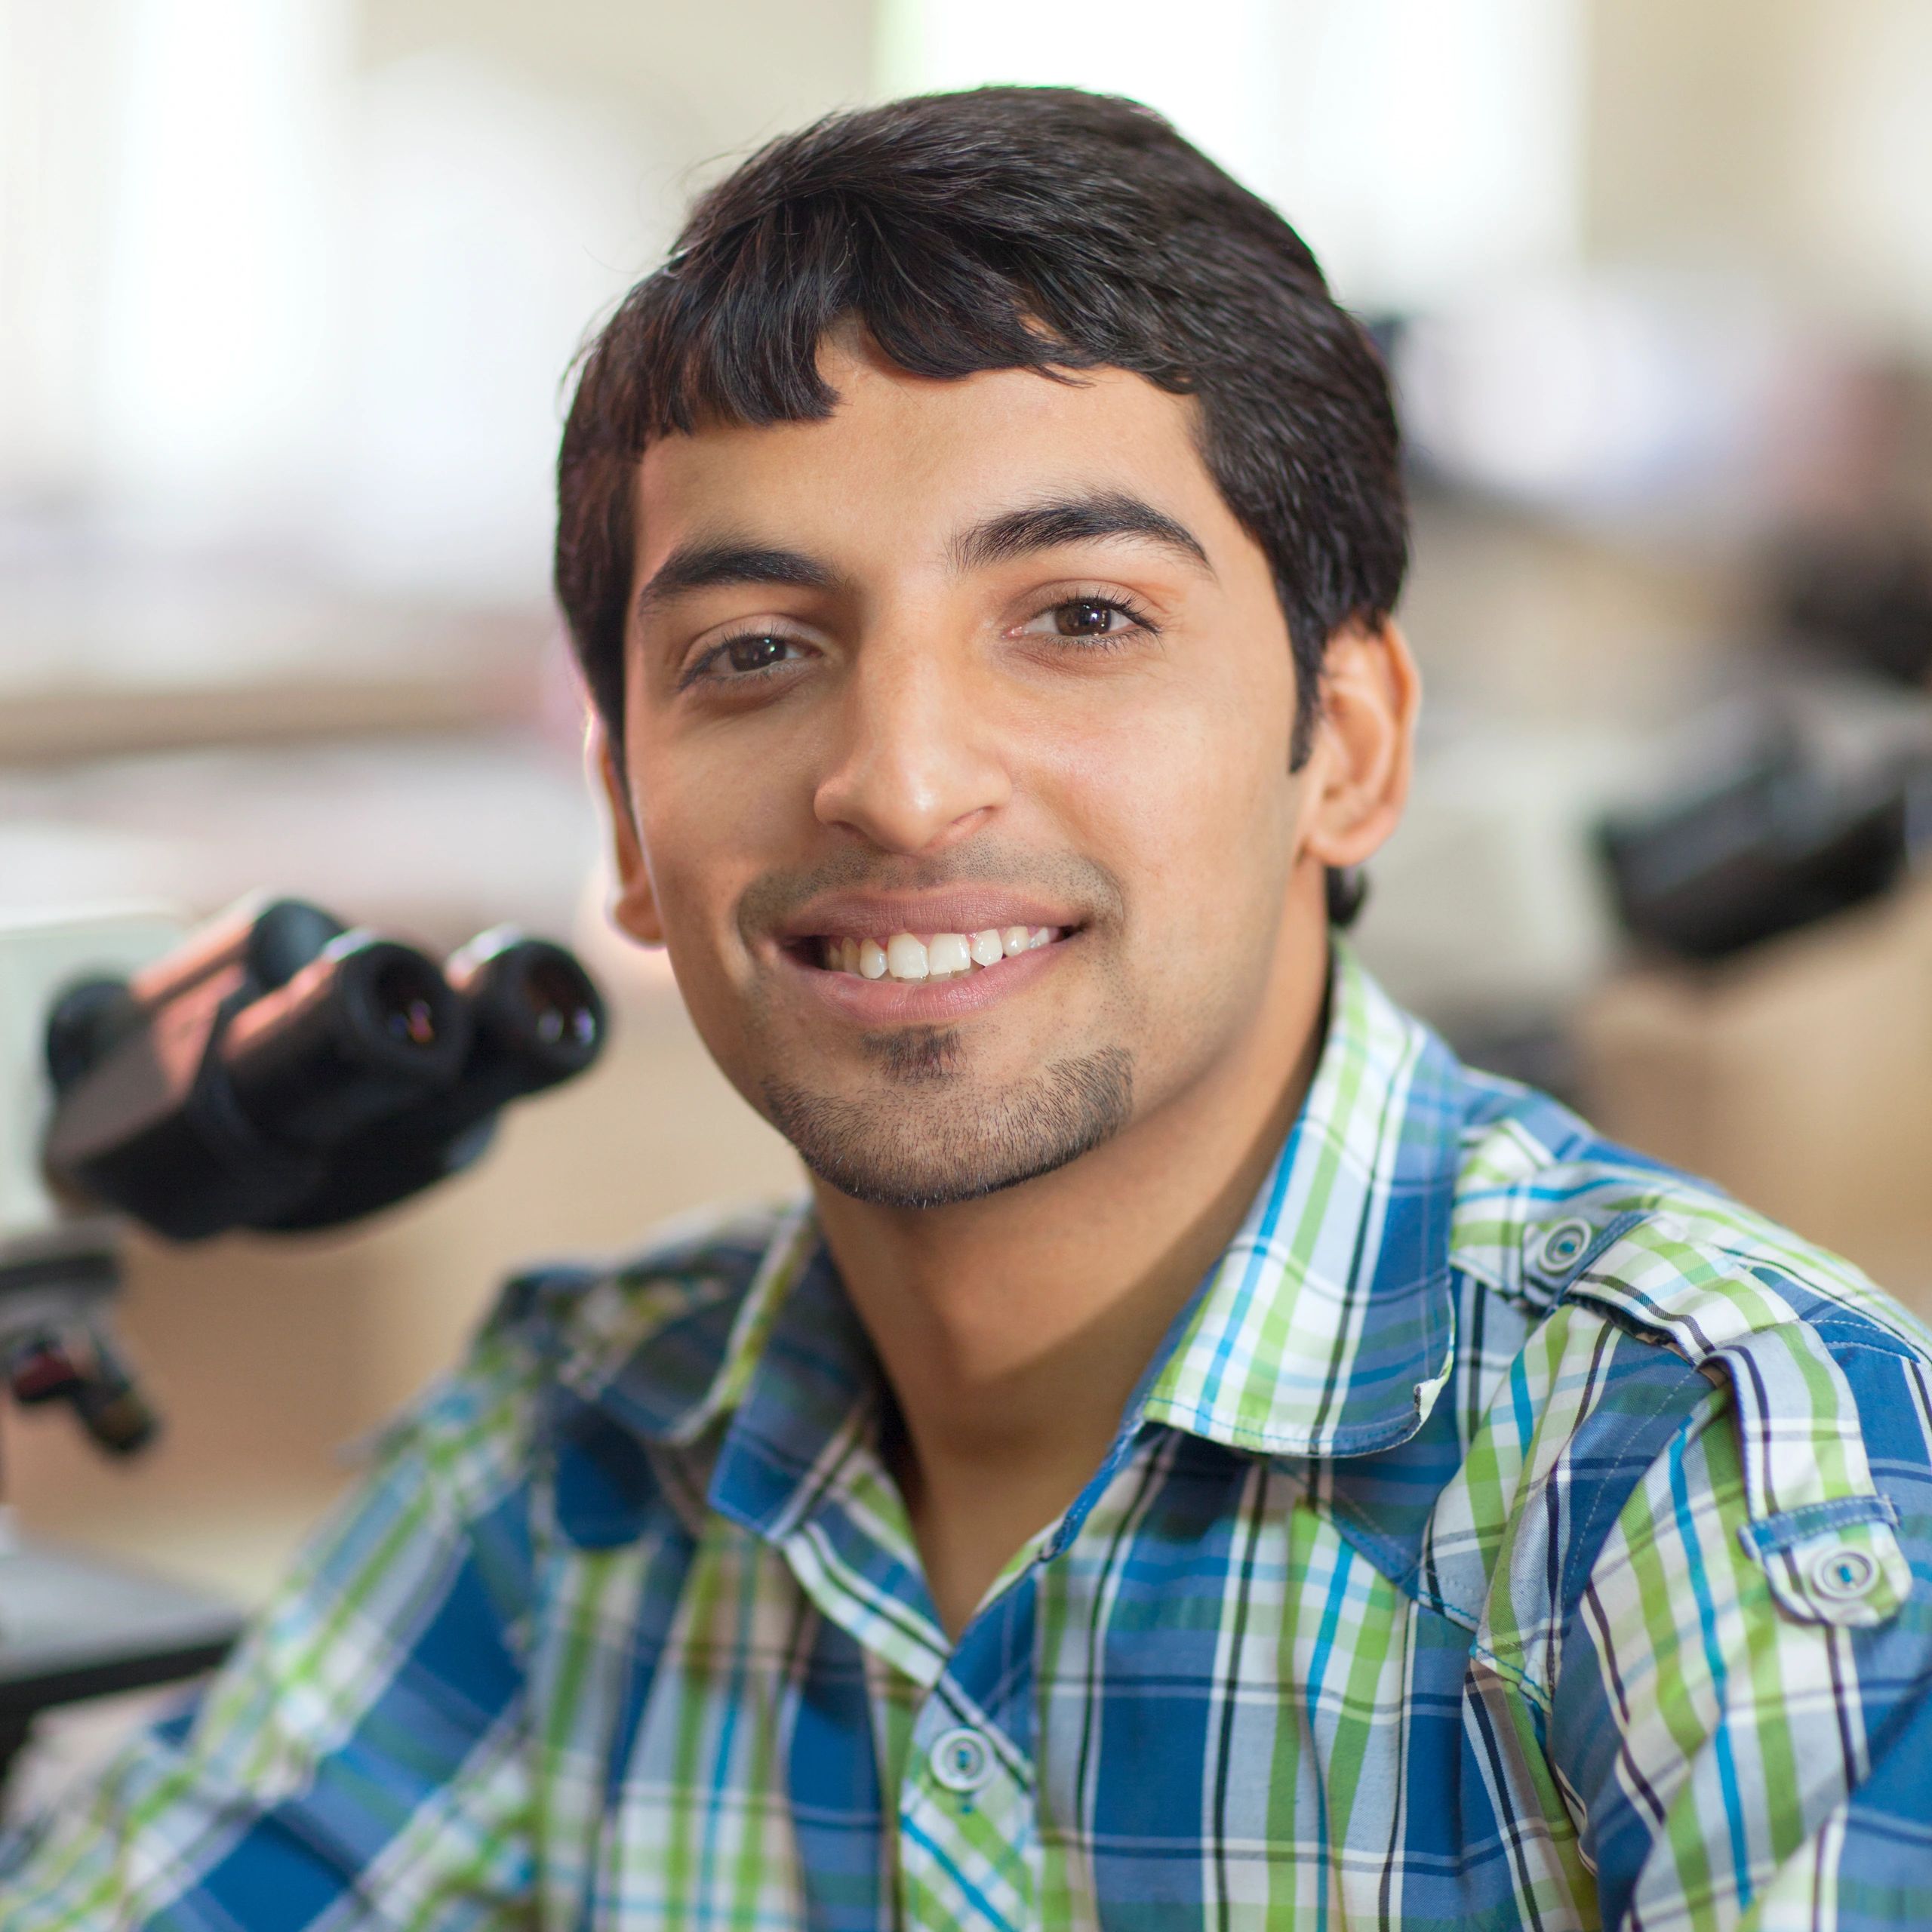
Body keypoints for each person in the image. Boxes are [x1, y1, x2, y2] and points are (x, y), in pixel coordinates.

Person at [6, 85, 1930, 1931]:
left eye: (1079, 615)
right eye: (754, 653)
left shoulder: (1706, 1456)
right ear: (618, 813)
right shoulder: (570, 1463)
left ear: (1342, 746)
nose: (902, 783)